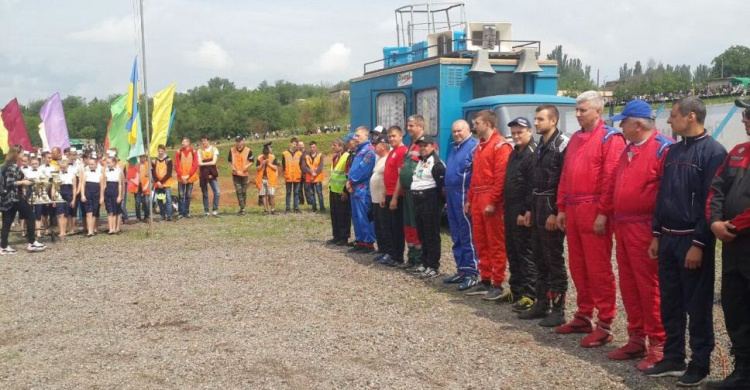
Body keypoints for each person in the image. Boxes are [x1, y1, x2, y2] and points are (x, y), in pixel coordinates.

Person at [645, 97, 726, 386]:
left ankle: (700, 363)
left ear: (691, 116)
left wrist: (699, 244)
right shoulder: (674, 150)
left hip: (692, 242)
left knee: (697, 305)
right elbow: (663, 195)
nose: (669, 121)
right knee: (670, 302)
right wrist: (656, 233)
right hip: (667, 239)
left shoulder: (714, 153)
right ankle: (673, 357)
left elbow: (711, 203)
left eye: (673, 115)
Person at [605, 100, 673, 370]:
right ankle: (636, 338)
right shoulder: (629, 149)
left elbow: (667, 195)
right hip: (623, 225)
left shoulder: (662, 149)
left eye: (623, 121)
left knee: (649, 287)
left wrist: (657, 232)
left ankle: (659, 344)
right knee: (629, 284)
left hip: (645, 226)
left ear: (637, 124)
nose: (620, 126)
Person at [555, 91, 626, 347]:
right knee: (578, 265)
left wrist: (603, 212)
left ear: (598, 111)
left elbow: (610, 179)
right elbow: (566, 174)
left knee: (598, 268)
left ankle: (605, 322)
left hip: (594, 207)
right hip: (574, 208)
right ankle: (584, 314)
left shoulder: (611, 138)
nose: (577, 114)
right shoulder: (575, 139)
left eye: (582, 110)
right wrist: (561, 207)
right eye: (576, 109)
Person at [706, 99, 750, 389]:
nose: (745, 119)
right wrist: (714, 222)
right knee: (734, 308)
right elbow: (716, 187)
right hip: (733, 248)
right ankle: (743, 372)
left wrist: (732, 226)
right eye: (746, 114)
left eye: (749, 115)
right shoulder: (738, 152)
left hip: (741, 237)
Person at [518, 105, 569, 327]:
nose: (536, 123)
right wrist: (529, 209)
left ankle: (559, 309)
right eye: (535, 118)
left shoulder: (561, 145)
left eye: (540, 119)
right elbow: (533, 181)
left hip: (550, 204)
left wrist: (557, 212)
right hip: (537, 203)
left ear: (554, 121)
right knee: (538, 256)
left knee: (553, 259)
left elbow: (563, 181)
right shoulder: (540, 147)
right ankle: (541, 303)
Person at [463, 110, 512, 301]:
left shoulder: (500, 146)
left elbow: (501, 178)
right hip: (478, 197)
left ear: (488, 124)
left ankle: (498, 283)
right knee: (480, 241)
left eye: (477, 123)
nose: (474, 126)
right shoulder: (480, 146)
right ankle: (485, 279)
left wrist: (493, 201)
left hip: (491, 198)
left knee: (495, 242)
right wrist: (470, 198)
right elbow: (475, 177)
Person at [504, 117, 538, 312]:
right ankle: (516, 290)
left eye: (520, 132)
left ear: (530, 132)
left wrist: (526, 210)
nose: (516, 136)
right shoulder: (515, 152)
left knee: (525, 252)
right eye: (514, 132)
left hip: (521, 208)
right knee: (512, 250)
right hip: (510, 207)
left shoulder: (531, 154)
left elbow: (531, 185)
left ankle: (529, 294)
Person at [443, 120, 480, 290]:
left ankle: (473, 271)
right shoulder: (453, 148)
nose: (456, 134)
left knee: (467, 234)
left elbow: (476, 176)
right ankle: (462, 269)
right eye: (454, 131)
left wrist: (470, 200)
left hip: (464, 195)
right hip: (451, 195)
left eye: (459, 131)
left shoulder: (474, 147)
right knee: (455, 233)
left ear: (468, 130)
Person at [389, 115, 425, 269]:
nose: (408, 129)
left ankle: (421, 259)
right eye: (408, 126)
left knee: (418, 227)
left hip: (418, 194)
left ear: (420, 126)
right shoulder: (411, 146)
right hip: (407, 193)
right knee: (408, 226)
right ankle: (412, 258)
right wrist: (396, 197)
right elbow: (402, 172)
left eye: (411, 126)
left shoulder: (426, 144)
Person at [410, 135, 446, 279]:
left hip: (430, 201)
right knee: (422, 233)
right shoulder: (421, 161)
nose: (423, 148)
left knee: (431, 235)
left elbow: (442, 187)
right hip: (418, 201)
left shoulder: (436, 163)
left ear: (433, 146)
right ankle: (425, 263)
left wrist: (438, 203)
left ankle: (433, 266)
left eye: (426, 145)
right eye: (421, 146)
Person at [0, 148, 45, 252]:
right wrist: (23, 183)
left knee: (7, 222)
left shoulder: (7, 166)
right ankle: (32, 242)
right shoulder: (12, 167)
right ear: (17, 154)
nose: (23, 155)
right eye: (21, 153)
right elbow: (10, 183)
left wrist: (25, 178)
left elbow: (20, 177)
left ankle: (3, 246)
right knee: (30, 215)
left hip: (6, 198)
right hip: (14, 197)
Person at [377, 126, 408, 267]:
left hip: (397, 195)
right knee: (389, 226)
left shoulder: (402, 151)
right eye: (389, 136)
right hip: (388, 193)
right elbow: (387, 175)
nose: (391, 139)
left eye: (394, 136)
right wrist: (384, 195)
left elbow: (400, 176)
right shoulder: (392, 152)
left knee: (396, 228)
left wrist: (395, 197)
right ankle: (391, 253)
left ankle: (398, 256)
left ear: (401, 136)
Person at [347, 127, 377, 253]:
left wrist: (351, 180)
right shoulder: (358, 150)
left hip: (362, 189)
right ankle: (360, 241)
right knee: (356, 216)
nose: (356, 138)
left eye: (358, 136)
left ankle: (368, 242)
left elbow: (363, 170)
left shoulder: (368, 151)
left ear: (366, 135)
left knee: (363, 216)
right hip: (354, 188)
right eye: (355, 136)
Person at [326, 138, 351, 246]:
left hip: (342, 190)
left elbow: (347, 174)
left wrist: (345, 190)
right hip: (333, 189)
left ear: (341, 146)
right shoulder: (335, 157)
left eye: (335, 145)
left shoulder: (346, 157)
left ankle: (343, 237)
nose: (333, 147)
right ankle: (336, 235)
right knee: (335, 214)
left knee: (343, 215)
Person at [369, 134, 389, 259]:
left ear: (383, 146)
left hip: (381, 197)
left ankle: (386, 249)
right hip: (374, 198)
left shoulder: (387, 158)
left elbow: (387, 179)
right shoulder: (379, 158)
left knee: (384, 225)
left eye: (375, 144)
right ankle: (381, 248)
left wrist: (384, 195)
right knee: (378, 225)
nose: (374, 146)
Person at [228, 135, 253, 215]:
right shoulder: (232, 150)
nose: (238, 143)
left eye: (239, 141)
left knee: (243, 191)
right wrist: (232, 167)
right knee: (238, 191)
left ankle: (243, 207)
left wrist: (247, 166)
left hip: (244, 174)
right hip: (236, 174)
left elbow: (252, 160)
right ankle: (242, 209)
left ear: (243, 141)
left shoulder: (248, 150)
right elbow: (229, 161)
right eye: (237, 141)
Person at [174, 137, 199, 219]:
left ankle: (186, 212)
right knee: (181, 195)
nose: (182, 143)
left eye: (184, 141)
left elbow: (195, 165)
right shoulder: (178, 152)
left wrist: (188, 175)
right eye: (182, 141)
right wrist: (181, 175)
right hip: (181, 178)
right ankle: (181, 212)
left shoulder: (193, 152)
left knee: (188, 195)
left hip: (190, 177)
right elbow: (176, 165)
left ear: (188, 143)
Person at [80, 154, 104, 237]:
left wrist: (101, 197)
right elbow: (82, 184)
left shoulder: (100, 174)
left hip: (96, 193)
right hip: (88, 193)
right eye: (89, 164)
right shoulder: (85, 173)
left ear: (96, 164)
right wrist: (82, 195)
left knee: (94, 212)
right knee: (88, 212)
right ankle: (89, 230)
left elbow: (102, 187)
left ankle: (93, 228)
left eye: (92, 164)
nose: (91, 166)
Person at [55, 158, 78, 237]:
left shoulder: (72, 175)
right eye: (61, 167)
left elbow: (74, 188)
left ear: (67, 166)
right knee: (60, 213)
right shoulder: (57, 175)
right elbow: (54, 187)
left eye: (63, 167)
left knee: (66, 214)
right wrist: (54, 198)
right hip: (60, 194)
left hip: (69, 194)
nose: (62, 169)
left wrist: (74, 199)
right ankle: (61, 231)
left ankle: (65, 230)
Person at [198, 136, 220, 217]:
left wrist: (203, 163)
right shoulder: (199, 151)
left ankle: (214, 210)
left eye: (205, 141)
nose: (203, 143)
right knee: (205, 193)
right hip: (203, 174)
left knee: (217, 192)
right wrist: (208, 162)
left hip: (212, 173)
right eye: (202, 141)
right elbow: (199, 162)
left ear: (208, 141)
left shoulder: (214, 149)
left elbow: (214, 162)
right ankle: (206, 211)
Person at [153, 145, 175, 221]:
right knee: (159, 199)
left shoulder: (169, 160)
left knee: (168, 199)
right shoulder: (154, 161)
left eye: (162, 151)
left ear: (164, 151)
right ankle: (162, 215)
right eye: (159, 151)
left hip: (166, 182)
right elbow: (153, 173)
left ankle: (169, 215)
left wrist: (161, 182)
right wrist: (157, 182)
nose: (160, 152)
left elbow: (169, 173)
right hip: (158, 184)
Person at [256, 142, 278, 215]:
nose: (266, 156)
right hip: (262, 179)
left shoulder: (273, 157)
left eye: (267, 155)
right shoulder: (259, 158)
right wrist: (262, 164)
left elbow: (275, 168)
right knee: (264, 195)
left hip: (271, 179)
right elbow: (257, 169)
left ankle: (273, 209)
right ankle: (265, 210)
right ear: (263, 154)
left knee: (272, 195)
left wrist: (269, 164)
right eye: (265, 155)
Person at [103, 156, 124, 234]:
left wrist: (119, 195)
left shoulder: (118, 171)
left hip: (115, 190)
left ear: (114, 162)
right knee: (109, 210)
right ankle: (110, 228)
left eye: (109, 163)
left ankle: (116, 227)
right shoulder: (106, 171)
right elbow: (104, 183)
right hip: (108, 190)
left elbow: (120, 184)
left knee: (116, 210)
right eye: (107, 163)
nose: (107, 164)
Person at [303, 141, 326, 212]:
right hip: (310, 177)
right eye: (311, 147)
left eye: (313, 147)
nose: (312, 148)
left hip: (317, 177)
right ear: (309, 148)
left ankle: (322, 207)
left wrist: (315, 173)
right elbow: (305, 166)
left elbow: (321, 166)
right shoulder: (306, 156)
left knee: (319, 193)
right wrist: (311, 173)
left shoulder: (320, 155)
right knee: (312, 193)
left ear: (316, 147)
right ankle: (314, 207)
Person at [282, 138, 302, 213]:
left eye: (296, 144)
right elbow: (283, 165)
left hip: (297, 175)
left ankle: (296, 208)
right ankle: (287, 208)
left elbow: (301, 164)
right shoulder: (284, 154)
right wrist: (286, 173)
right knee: (288, 192)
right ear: (290, 143)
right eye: (293, 143)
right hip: (288, 176)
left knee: (296, 192)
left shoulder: (299, 153)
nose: (294, 145)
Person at [133, 155, 151, 222]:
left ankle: (147, 216)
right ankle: (138, 217)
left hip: (145, 186)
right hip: (137, 186)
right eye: (142, 157)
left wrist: (146, 185)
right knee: (137, 202)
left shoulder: (148, 165)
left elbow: (150, 176)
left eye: (144, 157)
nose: (143, 159)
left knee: (146, 202)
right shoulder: (136, 165)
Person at [297, 141, 309, 206]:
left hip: (306, 173)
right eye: (299, 145)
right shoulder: (297, 153)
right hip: (298, 173)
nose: (300, 146)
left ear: (304, 145)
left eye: (301, 145)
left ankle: (309, 202)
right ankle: (301, 201)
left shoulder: (307, 153)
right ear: (297, 146)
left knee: (307, 188)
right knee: (299, 189)